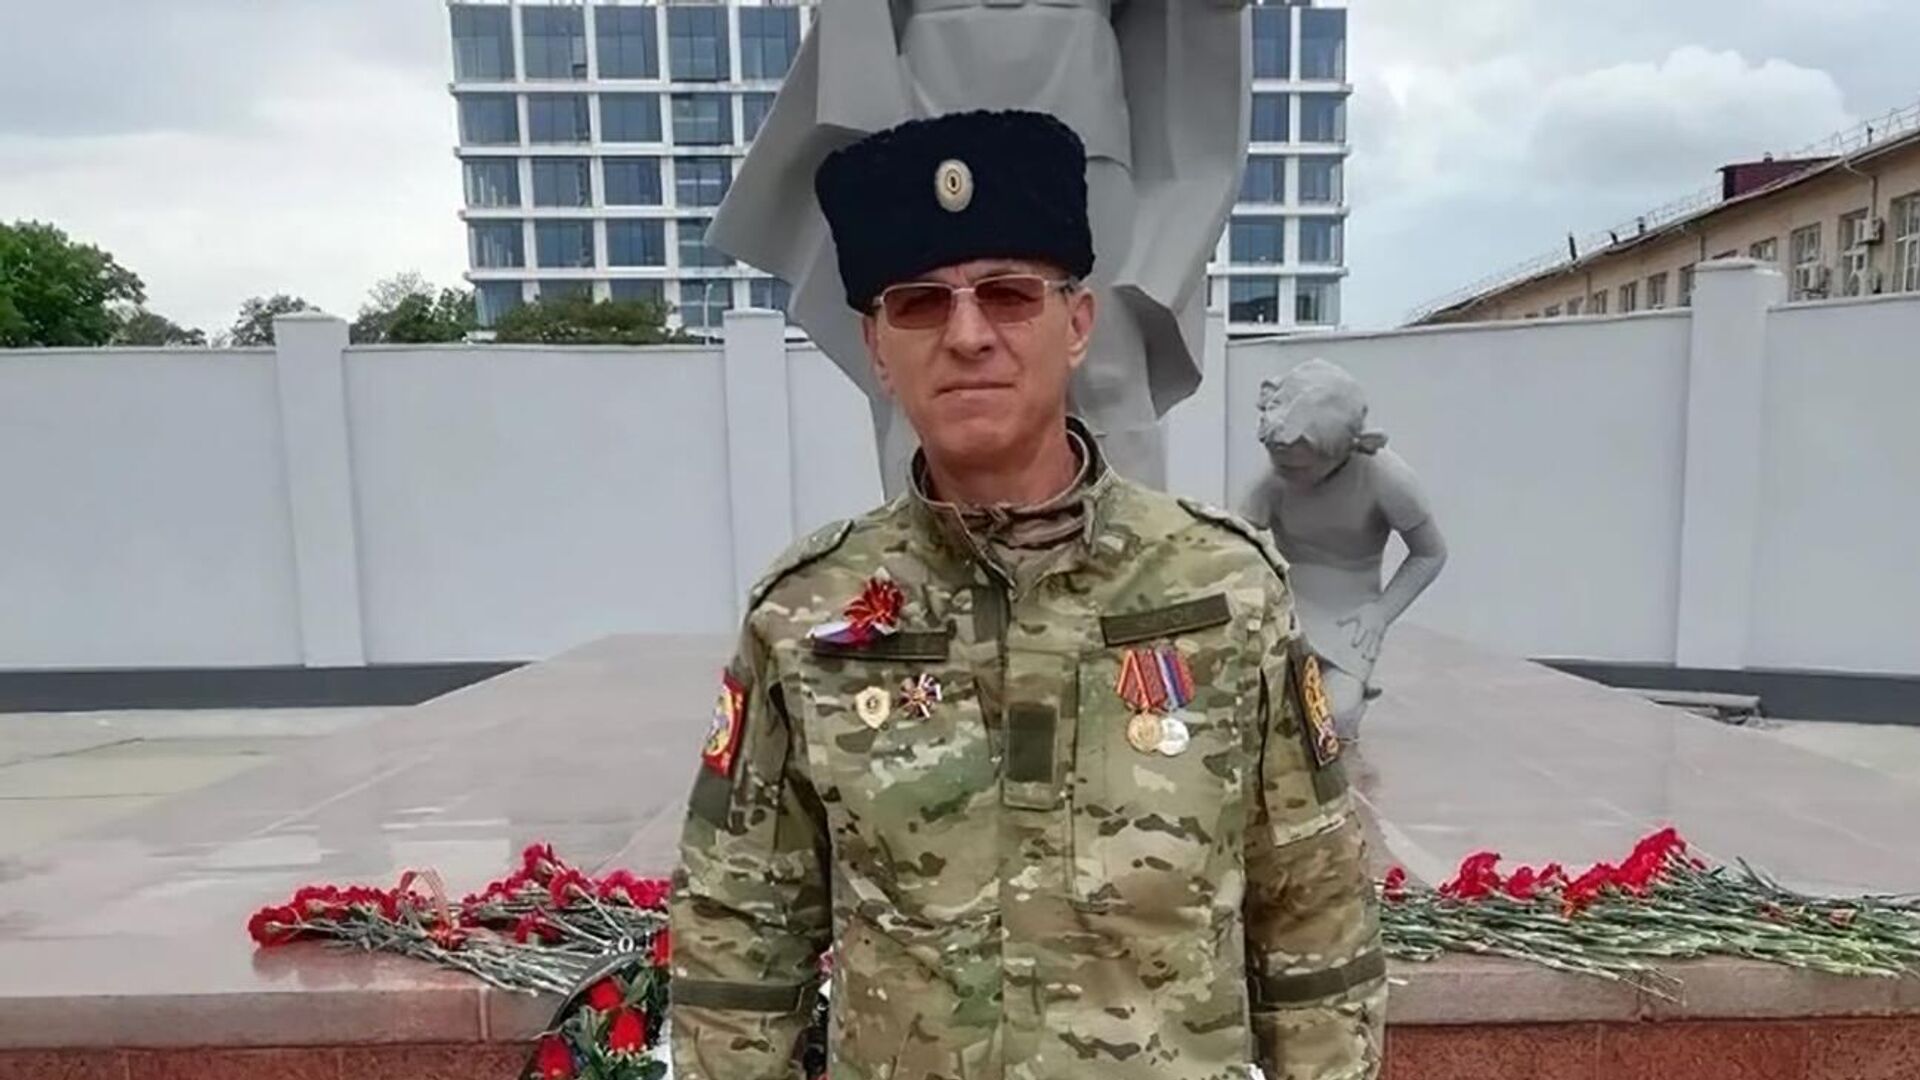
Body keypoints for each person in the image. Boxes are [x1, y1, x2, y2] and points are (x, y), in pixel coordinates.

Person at [669, 110, 1384, 1080]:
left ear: (1076, 325)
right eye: (921, 304)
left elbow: (1315, 911)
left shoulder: (1223, 590)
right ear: (877, 345)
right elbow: (739, 932)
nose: (968, 336)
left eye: (1008, 295)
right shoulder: (806, 617)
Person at [708, 0, 1250, 493]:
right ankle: (918, 562)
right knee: (924, 355)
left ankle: (1135, 560)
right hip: (925, 100)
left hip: (1087, 100)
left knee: (1110, 364)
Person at [1240, 361, 1449, 745]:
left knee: (1333, 720)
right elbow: (1235, 543)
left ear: (1339, 451)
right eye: (1279, 464)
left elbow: (1430, 554)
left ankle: (1350, 689)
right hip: (1283, 605)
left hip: (1351, 616)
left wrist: (1381, 613)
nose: (1286, 475)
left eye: (1299, 469)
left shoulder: (1386, 477)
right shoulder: (1274, 478)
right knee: (1250, 710)